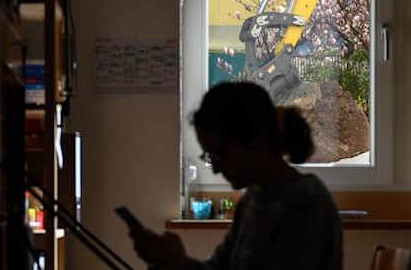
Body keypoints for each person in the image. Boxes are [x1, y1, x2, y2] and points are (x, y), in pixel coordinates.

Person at [128, 81, 343, 270]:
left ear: (257, 136)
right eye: (209, 157)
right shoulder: (254, 199)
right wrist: (171, 262)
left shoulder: (303, 203)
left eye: (220, 153)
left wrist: (181, 264)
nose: (215, 169)